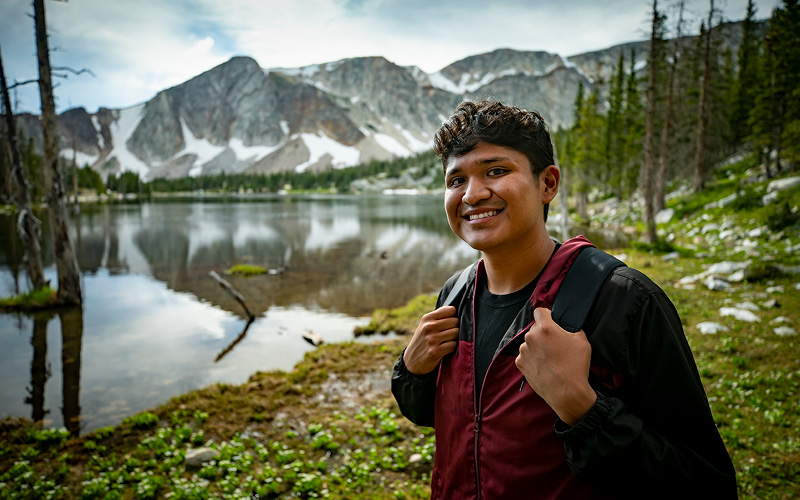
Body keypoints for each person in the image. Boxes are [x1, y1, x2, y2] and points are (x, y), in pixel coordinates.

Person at [391, 100, 737, 499]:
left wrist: (582, 408)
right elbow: (437, 417)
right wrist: (412, 370)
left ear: (548, 184)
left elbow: (705, 482)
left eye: (496, 171)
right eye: (456, 180)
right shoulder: (454, 294)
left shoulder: (625, 302)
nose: (472, 194)